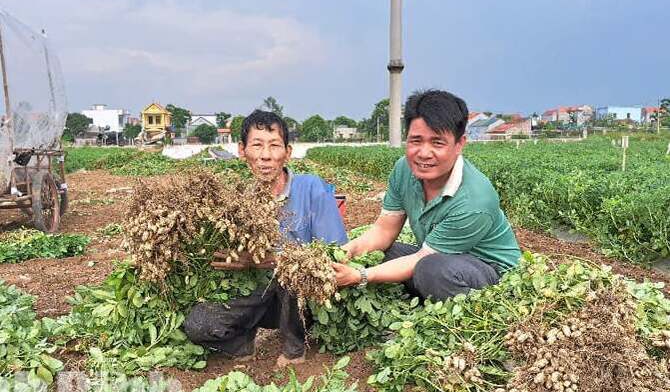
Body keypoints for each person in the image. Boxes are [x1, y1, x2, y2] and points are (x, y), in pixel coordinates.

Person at [183, 110, 347, 367]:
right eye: (257, 145)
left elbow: (335, 254)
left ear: (287, 152)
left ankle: (295, 346)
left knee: (291, 270)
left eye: (275, 146)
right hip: (259, 297)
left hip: (303, 299)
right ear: (242, 151)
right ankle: (241, 343)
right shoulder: (237, 202)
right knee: (198, 325)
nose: (266, 156)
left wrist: (263, 260)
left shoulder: (312, 188)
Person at [333, 89, 521, 299]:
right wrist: (346, 252)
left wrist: (360, 276)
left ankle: (441, 304)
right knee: (378, 254)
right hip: (440, 257)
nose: (423, 153)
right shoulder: (404, 169)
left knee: (430, 270)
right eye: (416, 141)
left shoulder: (475, 199)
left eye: (437, 143)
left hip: (492, 273)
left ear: (459, 144)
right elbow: (384, 230)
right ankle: (423, 295)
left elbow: (422, 258)